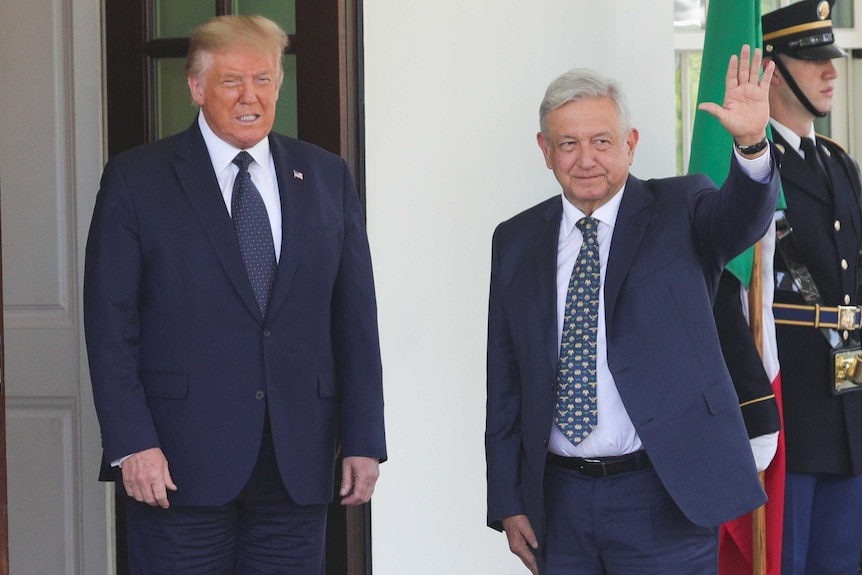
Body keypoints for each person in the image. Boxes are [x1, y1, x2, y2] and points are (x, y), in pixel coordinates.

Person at [84, 15, 386, 574]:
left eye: (264, 79)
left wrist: (365, 438)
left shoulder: (325, 176)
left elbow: (355, 320)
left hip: (298, 463)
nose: (251, 96)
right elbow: (109, 326)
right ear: (196, 88)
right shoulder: (136, 180)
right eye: (231, 81)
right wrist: (132, 443)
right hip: (175, 464)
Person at [485, 45, 780, 575]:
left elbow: (741, 219)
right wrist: (507, 499)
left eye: (602, 141)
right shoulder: (516, 240)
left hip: (665, 493)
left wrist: (751, 145)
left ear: (630, 144)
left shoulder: (681, 208)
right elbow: (505, 380)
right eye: (568, 144)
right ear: (545, 150)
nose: (586, 158)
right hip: (560, 501)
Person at [760, 1, 862, 573]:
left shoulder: (837, 163)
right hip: (789, 405)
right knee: (786, 560)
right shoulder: (750, 168)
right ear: (772, 70)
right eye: (814, 59)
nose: (832, 71)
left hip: (847, 404)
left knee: (840, 561)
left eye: (833, 58)